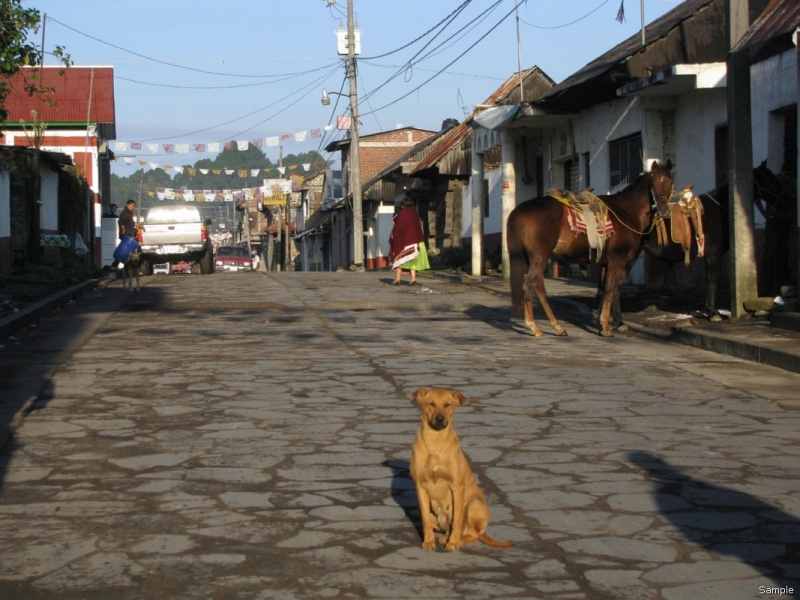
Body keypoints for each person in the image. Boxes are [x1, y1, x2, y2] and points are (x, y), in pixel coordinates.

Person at [388, 198, 430, 286]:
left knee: (399, 259)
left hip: (404, 242)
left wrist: (394, 239)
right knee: (413, 261)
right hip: (416, 241)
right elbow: (418, 228)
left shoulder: (401, 215)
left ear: (403, 205)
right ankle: (413, 279)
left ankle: (397, 279)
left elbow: (398, 229)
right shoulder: (415, 214)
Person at [112, 199, 138, 269]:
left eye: (134, 206)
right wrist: (123, 230)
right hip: (126, 235)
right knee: (125, 250)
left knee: (128, 250)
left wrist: (139, 225)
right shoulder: (125, 213)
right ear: (127, 205)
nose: (133, 207)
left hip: (130, 234)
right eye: (132, 206)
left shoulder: (129, 213)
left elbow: (132, 223)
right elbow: (121, 222)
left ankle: (119, 264)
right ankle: (116, 264)